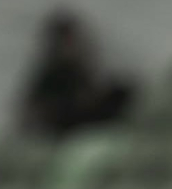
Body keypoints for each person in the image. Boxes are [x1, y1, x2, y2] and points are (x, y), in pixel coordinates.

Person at [17, 8, 134, 138]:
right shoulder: (52, 72)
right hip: (63, 121)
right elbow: (35, 106)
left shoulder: (80, 64)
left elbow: (92, 89)